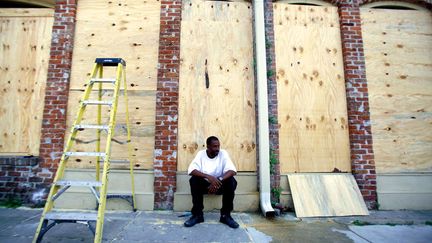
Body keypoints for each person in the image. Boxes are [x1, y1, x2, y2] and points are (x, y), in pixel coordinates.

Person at [183, 136, 239, 228]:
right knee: (194, 180)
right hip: (205, 186)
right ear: (208, 146)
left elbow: (232, 170)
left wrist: (218, 181)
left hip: (220, 185)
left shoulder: (223, 153)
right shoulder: (201, 154)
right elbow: (191, 170)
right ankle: (198, 215)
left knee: (231, 181)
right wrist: (208, 177)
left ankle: (225, 215)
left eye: (218, 146)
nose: (217, 149)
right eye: (214, 146)